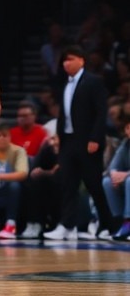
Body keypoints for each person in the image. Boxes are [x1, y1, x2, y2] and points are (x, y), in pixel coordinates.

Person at [43, 44, 115, 241]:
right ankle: (67, 226)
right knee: (68, 184)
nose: (66, 63)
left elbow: (101, 112)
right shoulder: (64, 84)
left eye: (71, 59)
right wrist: (60, 136)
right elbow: (64, 113)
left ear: (81, 60)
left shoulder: (93, 81)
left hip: (87, 141)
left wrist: (95, 138)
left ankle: (108, 225)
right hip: (68, 141)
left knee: (94, 185)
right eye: (64, 60)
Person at [102, 114, 130, 241]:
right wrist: (114, 175)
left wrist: (126, 175)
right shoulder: (126, 144)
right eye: (127, 128)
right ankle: (119, 222)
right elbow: (112, 167)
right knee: (107, 182)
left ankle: (128, 221)